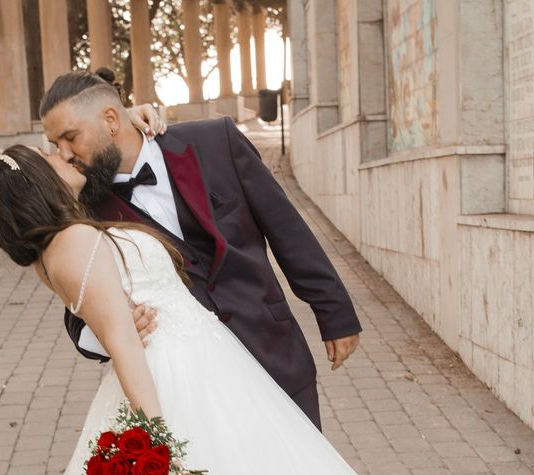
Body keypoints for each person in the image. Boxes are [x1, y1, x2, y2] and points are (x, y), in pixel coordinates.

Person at [0, 145, 362, 475]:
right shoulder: (75, 240)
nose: (61, 154)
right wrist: (158, 445)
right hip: (178, 374)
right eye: (47, 156)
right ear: (37, 181)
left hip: (207, 363)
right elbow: (122, 341)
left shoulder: (57, 247)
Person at [39, 70, 362, 431]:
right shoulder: (84, 209)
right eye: (55, 144)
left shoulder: (215, 141)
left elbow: (285, 228)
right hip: (188, 388)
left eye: (70, 138)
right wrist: (111, 330)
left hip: (273, 352)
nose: (64, 154)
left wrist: (334, 313)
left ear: (111, 119)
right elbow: (76, 300)